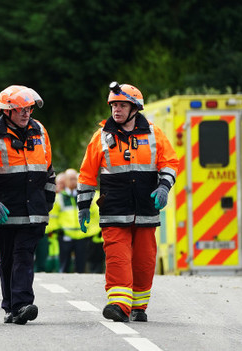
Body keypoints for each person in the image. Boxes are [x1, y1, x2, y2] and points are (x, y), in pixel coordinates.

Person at [77, 82, 178, 323]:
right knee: (118, 258)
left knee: (144, 261)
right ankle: (119, 304)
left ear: (135, 108)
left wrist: (164, 187)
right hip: (114, 211)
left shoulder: (154, 134)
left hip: (145, 210)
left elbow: (170, 163)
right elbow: (87, 175)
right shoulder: (100, 137)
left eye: (122, 105)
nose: (116, 110)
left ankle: (139, 306)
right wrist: (83, 207)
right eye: (113, 105)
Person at [0, 85, 56, 325]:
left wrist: (47, 202)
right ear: (7, 111)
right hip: (4, 213)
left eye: (28, 108)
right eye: (20, 109)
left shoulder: (40, 131)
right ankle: (10, 306)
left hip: (33, 213)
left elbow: (48, 170)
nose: (25, 113)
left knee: (23, 255)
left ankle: (22, 304)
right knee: (6, 258)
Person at [51, 169, 100, 273]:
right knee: (64, 266)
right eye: (71, 179)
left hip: (81, 235)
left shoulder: (82, 196)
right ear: (66, 180)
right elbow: (54, 216)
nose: (73, 181)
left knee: (80, 267)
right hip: (65, 235)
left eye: (75, 179)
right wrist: (58, 230)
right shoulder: (60, 197)